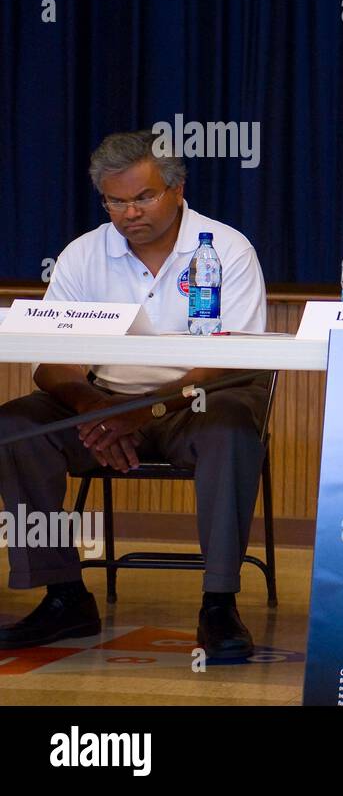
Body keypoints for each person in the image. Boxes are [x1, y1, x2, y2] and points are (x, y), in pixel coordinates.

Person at [0, 130, 270, 660]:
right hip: (104, 406)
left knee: (233, 427)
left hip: (195, 403)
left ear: (177, 188)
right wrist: (97, 410)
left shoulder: (226, 249)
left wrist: (142, 412)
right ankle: (65, 596)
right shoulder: (82, 254)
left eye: (143, 197)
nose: (129, 213)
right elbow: (49, 360)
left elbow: (237, 362)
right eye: (115, 201)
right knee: (15, 427)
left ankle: (219, 603)